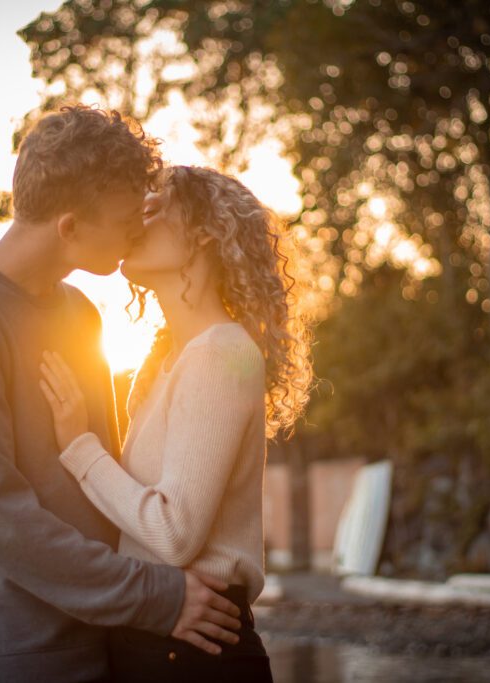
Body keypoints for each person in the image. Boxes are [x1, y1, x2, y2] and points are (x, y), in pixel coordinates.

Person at [0, 108, 243, 683]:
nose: (140, 222)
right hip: (11, 660)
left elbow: (102, 476)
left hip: (109, 645)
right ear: (69, 228)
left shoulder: (80, 315)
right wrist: (157, 597)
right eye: (125, 216)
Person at [39, 165, 313, 682]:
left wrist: (79, 445)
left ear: (207, 232)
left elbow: (173, 534)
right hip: (156, 638)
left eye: (159, 207)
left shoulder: (223, 352)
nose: (141, 214)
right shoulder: (164, 361)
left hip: (197, 655)